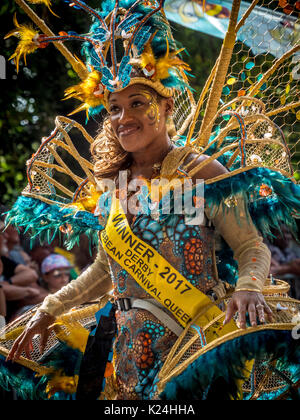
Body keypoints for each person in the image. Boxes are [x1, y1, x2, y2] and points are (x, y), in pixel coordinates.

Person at [3, 0, 300, 401]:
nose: (123, 117)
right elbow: (105, 271)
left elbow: (250, 245)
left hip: (192, 346)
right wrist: (49, 307)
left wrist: (249, 287)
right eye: (114, 108)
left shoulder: (203, 172)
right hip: (122, 347)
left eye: (137, 103)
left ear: (165, 105)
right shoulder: (113, 186)